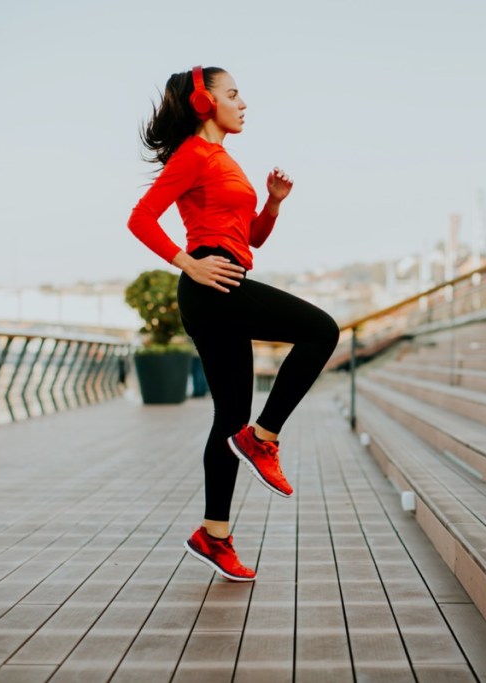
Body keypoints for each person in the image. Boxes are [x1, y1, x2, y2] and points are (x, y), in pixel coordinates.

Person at [127, 66, 340, 582]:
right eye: (233, 94)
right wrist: (188, 262)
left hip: (224, 280)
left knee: (228, 420)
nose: (243, 103)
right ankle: (263, 438)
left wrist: (272, 202)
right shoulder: (193, 155)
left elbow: (254, 239)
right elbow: (140, 218)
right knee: (322, 330)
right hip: (211, 283)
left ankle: (214, 535)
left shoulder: (223, 160)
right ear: (204, 102)